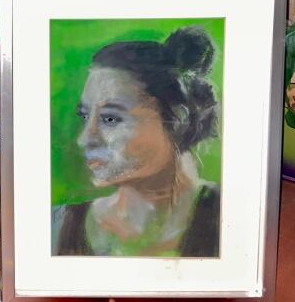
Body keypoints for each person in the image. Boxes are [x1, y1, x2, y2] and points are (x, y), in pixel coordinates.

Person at [52, 26, 221, 257]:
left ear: (178, 120)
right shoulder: (58, 225)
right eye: (84, 116)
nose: (85, 139)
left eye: (110, 118)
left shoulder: (232, 218)